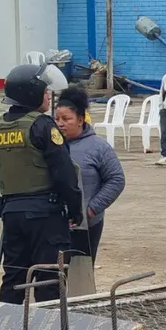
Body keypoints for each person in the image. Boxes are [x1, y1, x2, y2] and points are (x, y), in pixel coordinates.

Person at [0, 63, 82, 304]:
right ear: (31, 94)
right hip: (45, 215)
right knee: (50, 278)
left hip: (11, 213)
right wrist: (75, 209)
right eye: (44, 91)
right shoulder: (42, 125)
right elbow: (64, 172)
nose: (48, 95)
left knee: (14, 279)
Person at [54, 87, 126, 262]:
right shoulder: (49, 145)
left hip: (86, 224)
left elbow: (116, 180)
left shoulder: (98, 147)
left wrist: (92, 209)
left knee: (81, 274)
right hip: (53, 223)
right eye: (56, 119)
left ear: (80, 119)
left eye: (66, 119)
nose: (60, 123)